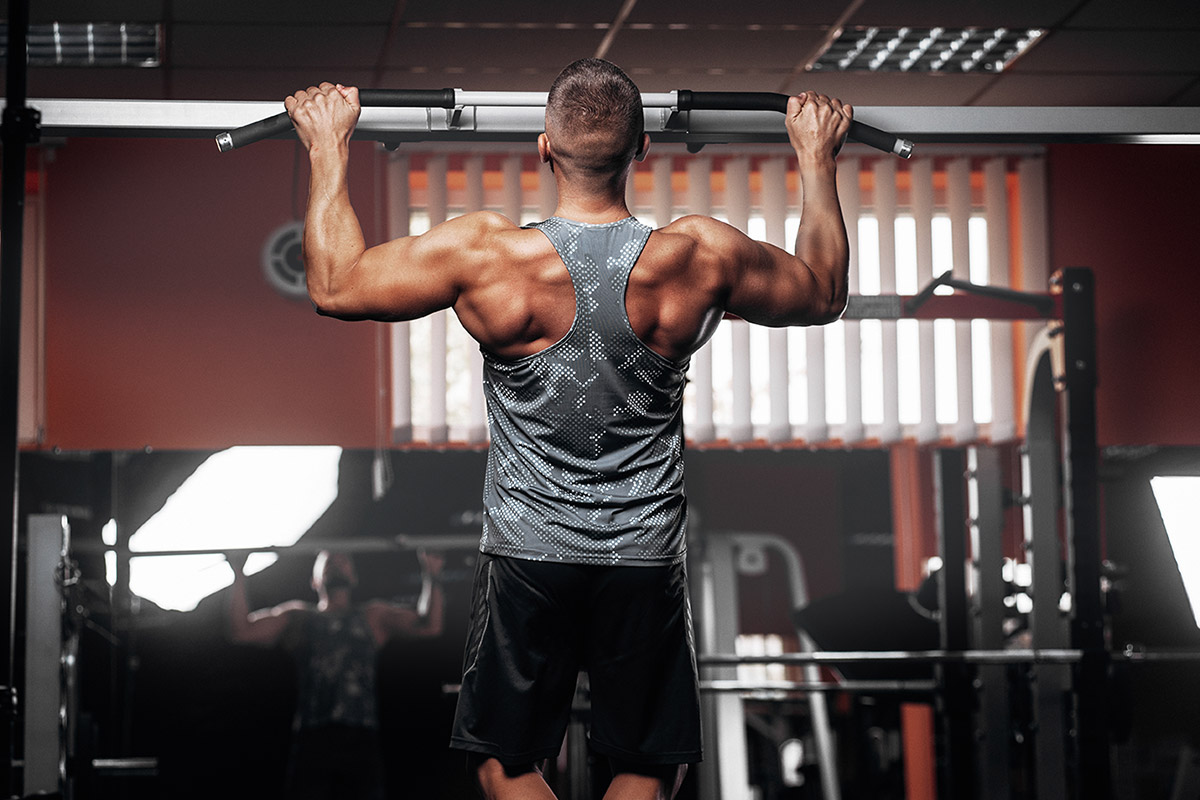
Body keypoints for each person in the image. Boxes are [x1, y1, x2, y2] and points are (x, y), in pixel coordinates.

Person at [284, 57, 851, 800]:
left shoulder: (487, 257)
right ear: (643, 149)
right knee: (647, 763)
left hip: (529, 556)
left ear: (543, 150)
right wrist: (814, 159)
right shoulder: (698, 256)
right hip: (642, 557)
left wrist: (328, 146)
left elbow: (334, 285)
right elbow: (823, 292)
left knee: (505, 761)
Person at [228, 548, 444, 799]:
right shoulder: (298, 617)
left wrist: (432, 575)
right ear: (315, 580)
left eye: (343, 561)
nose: (337, 563)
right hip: (314, 736)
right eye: (328, 561)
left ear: (354, 578)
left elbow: (430, 625)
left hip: (360, 735)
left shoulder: (373, 616)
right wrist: (239, 574)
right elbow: (241, 630)